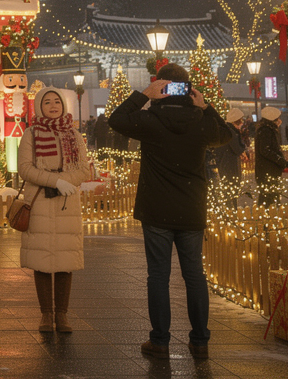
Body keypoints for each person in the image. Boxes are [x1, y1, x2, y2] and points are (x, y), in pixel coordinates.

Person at [108, 63, 235, 361]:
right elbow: (227, 134)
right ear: (188, 89)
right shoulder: (202, 122)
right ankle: (200, 340)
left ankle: (160, 341)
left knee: (158, 276)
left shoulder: (150, 120)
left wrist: (144, 94)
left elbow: (116, 119)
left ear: (161, 87)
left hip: (157, 210)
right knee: (194, 275)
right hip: (191, 210)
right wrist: (206, 106)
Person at [18, 87, 92, 333]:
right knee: (41, 261)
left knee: (64, 261)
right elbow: (25, 169)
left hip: (66, 203)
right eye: (47, 102)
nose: (52, 105)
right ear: (39, 106)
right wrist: (54, 181)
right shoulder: (30, 134)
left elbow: (84, 170)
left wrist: (66, 181)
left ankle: (62, 315)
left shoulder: (74, 135)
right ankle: (45, 315)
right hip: (39, 201)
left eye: (56, 102)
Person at [254, 107, 288, 206]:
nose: (280, 120)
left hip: (269, 170)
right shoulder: (266, 130)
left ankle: (269, 215)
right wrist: (280, 160)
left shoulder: (269, 129)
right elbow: (265, 150)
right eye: (278, 118)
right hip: (267, 170)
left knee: (271, 196)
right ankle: (267, 217)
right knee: (268, 197)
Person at [214, 109, 247, 210]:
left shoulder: (227, 130)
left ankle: (231, 208)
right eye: (239, 121)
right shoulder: (231, 132)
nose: (241, 123)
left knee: (228, 187)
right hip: (229, 164)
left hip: (224, 162)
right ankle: (231, 209)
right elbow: (237, 148)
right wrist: (242, 151)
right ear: (235, 121)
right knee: (231, 187)